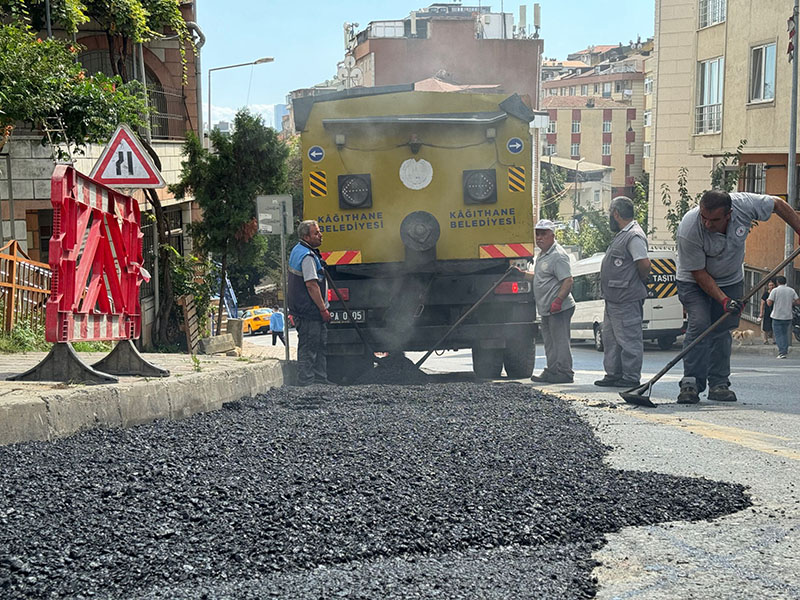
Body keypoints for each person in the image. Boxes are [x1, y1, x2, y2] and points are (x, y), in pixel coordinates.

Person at [675, 190, 800, 403]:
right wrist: (724, 300)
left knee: (722, 328)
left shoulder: (745, 205)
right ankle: (691, 383)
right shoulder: (689, 227)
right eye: (704, 217)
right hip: (693, 281)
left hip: (730, 278)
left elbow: (778, 204)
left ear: (729, 214)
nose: (707, 224)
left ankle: (719, 384)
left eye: (714, 220)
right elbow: (699, 273)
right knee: (700, 322)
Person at [594, 196, 651, 388]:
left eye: (610, 213)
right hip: (613, 299)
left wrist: (637, 281)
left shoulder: (633, 235)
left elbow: (644, 264)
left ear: (616, 213)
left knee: (629, 339)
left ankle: (630, 377)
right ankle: (613, 374)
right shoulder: (622, 233)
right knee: (611, 339)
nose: (609, 217)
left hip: (626, 298)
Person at [530, 219, 576, 384]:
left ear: (552, 235)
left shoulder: (557, 255)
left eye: (543, 234)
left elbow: (568, 280)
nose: (539, 237)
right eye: (537, 234)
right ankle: (552, 370)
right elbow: (542, 278)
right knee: (550, 343)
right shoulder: (543, 255)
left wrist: (558, 301)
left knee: (560, 341)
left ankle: (565, 372)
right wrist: (522, 274)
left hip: (559, 308)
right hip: (547, 308)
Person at [288, 220, 332, 386]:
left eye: (319, 232)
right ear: (306, 236)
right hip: (308, 310)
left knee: (319, 344)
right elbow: (312, 285)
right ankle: (306, 383)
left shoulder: (300, 250)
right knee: (309, 346)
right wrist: (323, 309)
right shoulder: (307, 256)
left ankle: (320, 380)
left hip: (305, 309)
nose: (320, 235)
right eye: (316, 233)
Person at [767, 276, 800, 359]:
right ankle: (784, 350)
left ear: (777, 282)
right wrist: (790, 303)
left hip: (777, 315)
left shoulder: (775, 290)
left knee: (778, 334)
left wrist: (769, 298)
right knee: (785, 334)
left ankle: (782, 351)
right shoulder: (791, 290)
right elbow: (798, 301)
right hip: (788, 316)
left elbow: (769, 303)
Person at [758, 279, 776, 344]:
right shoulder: (766, 294)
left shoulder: (776, 292)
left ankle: (774, 340)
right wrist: (761, 312)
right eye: (770, 285)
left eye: (772, 285)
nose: (771, 287)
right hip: (767, 312)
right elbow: (762, 304)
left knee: (774, 326)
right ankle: (765, 340)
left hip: (775, 311)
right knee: (765, 327)